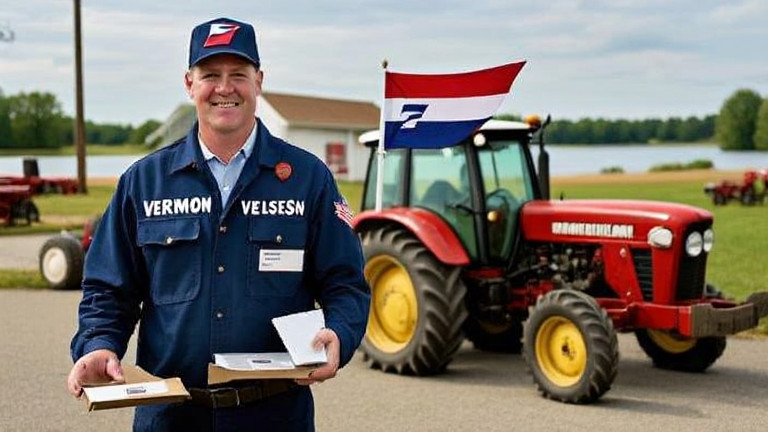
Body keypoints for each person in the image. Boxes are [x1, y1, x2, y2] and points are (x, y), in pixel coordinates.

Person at [67, 17, 370, 432]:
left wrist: (339, 333)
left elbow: (346, 284)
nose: (224, 88)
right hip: (170, 416)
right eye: (210, 74)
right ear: (189, 84)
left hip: (275, 415)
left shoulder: (308, 178)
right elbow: (108, 288)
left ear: (258, 81)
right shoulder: (143, 182)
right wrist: (99, 344)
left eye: (238, 75)